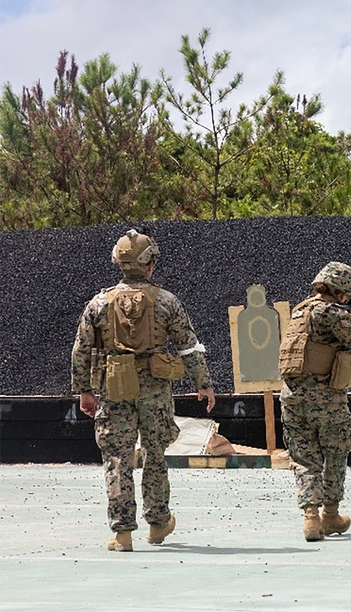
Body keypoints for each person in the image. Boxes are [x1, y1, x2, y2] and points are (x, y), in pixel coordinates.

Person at [71, 229, 215, 552]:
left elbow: (81, 350)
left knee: (117, 458)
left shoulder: (99, 303)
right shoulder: (167, 301)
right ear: (149, 264)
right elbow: (189, 347)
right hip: (155, 391)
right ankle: (158, 522)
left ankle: (122, 534)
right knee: (155, 453)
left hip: (113, 388)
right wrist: (203, 384)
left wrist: (84, 391)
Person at [278, 262, 351, 541]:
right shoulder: (330, 312)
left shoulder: (300, 310)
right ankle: (330, 515)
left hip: (292, 397)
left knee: (304, 458)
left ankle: (310, 518)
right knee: (336, 450)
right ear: (342, 292)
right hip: (325, 397)